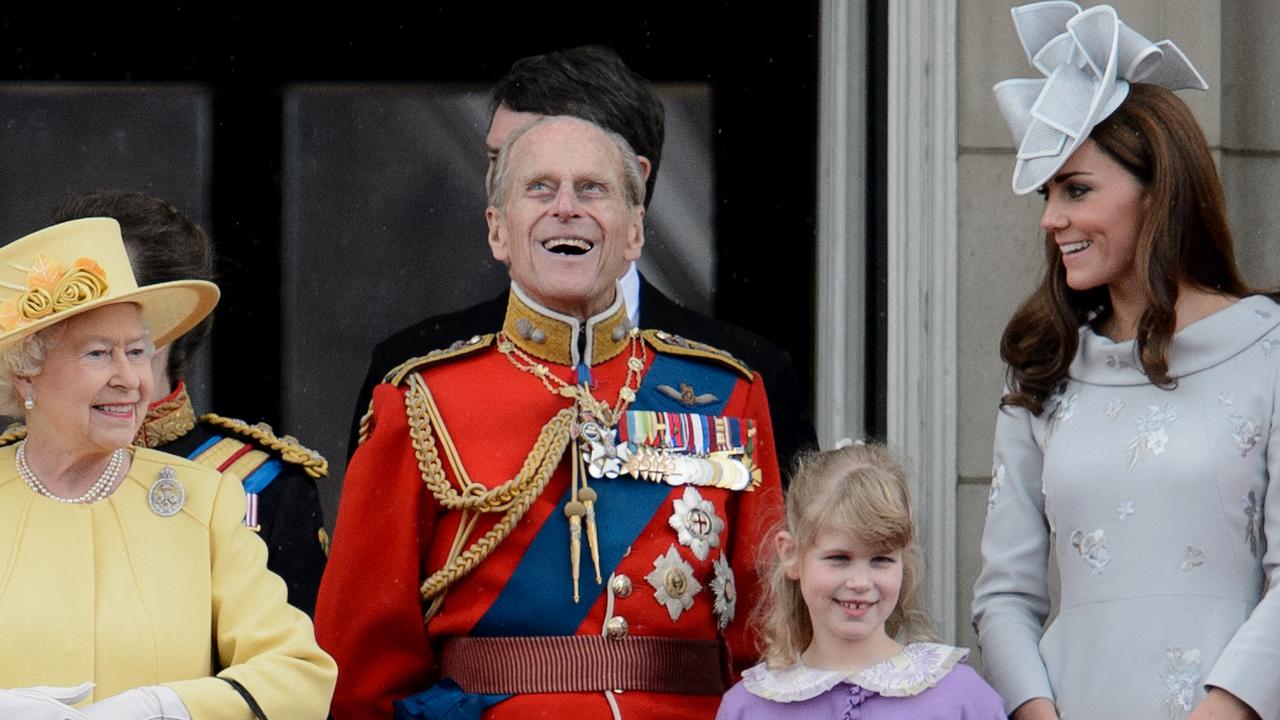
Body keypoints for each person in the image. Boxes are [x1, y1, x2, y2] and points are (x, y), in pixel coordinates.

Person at [316, 115, 782, 720]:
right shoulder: (421, 400)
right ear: (498, 232)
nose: (567, 207)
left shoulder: (728, 392)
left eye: (593, 189)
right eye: (540, 188)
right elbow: (361, 664)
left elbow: (769, 636)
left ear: (635, 232)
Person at [973, 4, 1279, 720]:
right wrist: (1039, 713)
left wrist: (1224, 709)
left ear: (1158, 191)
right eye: (1048, 194)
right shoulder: (1041, 369)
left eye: (1076, 189)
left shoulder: (1268, 350)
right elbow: (1005, 596)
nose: (1051, 219)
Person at [347, 45, 816, 478]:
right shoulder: (410, 374)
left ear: (633, 181)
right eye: (498, 161)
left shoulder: (748, 378)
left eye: (583, 183)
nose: (498, 183)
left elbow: (781, 561)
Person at [0, 217, 335, 718]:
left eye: (136, 352)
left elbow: (297, 674)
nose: (130, 379)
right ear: (26, 374)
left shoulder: (207, 500)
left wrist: (167, 707)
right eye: (98, 353)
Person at [49, 190, 329, 617]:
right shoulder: (12, 473)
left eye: (119, 312)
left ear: (174, 320)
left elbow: (296, 671)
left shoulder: (262, 482)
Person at [717, 443, 1004, 719]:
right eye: (839, 558)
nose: (860, 582)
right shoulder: (748, 709)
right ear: (791, 554)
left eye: (881, 560)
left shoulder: (963, 700)